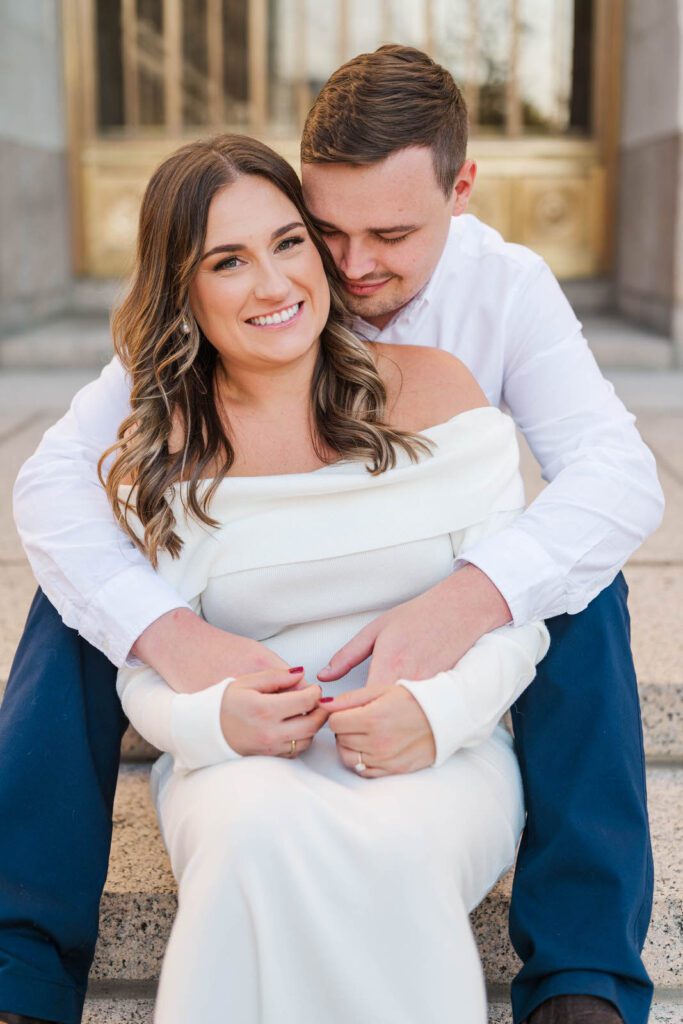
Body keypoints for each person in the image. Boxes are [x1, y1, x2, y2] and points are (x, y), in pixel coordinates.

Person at [1, 45, 661, 1024]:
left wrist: (467, 599)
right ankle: (21, 970)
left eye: (390, 233)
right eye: (326, 229)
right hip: (263, 691)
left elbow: (614, 478)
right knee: (84, 585)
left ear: (463, 190)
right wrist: (176, 641)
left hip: (435, 636)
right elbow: (57, 480)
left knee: (574, 574)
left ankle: (579, 981)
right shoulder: (252, 295)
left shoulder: (503, 291)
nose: (349, 268)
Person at [104, 131, 549, 1023]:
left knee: (396, 842)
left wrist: (435, 715)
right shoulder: (160, 453)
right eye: (227, 261)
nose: (274, 285)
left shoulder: (437, 393)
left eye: (288, 243)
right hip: (232, 759)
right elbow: (145, 663)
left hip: (440, 751)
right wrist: (211, 720)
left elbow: (513, 617)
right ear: (182, 289)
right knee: (249, 834)